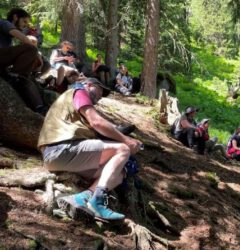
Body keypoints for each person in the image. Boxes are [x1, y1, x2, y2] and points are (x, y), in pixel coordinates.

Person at [37, 77, 142, 222]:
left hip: (64, 155)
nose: (100, 97)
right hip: (60, 149)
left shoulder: (75, 109)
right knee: (122, 150)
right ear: (89, 84)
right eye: (100, 90)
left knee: (120, 173)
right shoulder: (78, 91)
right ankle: (98, 202)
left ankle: (82, 198)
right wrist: (126, 140)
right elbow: (97, 122)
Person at [0, 8, 47, 114]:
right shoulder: (5, 23)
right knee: (30, 48)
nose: (25, 25)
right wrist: (37, 54)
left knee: (27, 75)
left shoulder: (7, 39)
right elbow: (25, 39)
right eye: (24, 21)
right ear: (15, 17)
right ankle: (15, 77)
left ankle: (39, 107)